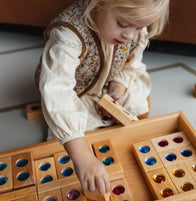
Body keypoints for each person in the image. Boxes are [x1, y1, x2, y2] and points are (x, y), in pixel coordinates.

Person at [36, 0, 169, 195]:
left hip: (106, 80)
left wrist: (117, 88)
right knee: (67, 138)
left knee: (136, 96)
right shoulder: (68, 35)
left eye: (140, 27)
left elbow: (131, 61)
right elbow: (57, 90)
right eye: (123, 25)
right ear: (97, 4)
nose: (130, 35)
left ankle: (114, 97)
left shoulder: (131, 30)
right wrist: (83, 156)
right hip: (76, 92)